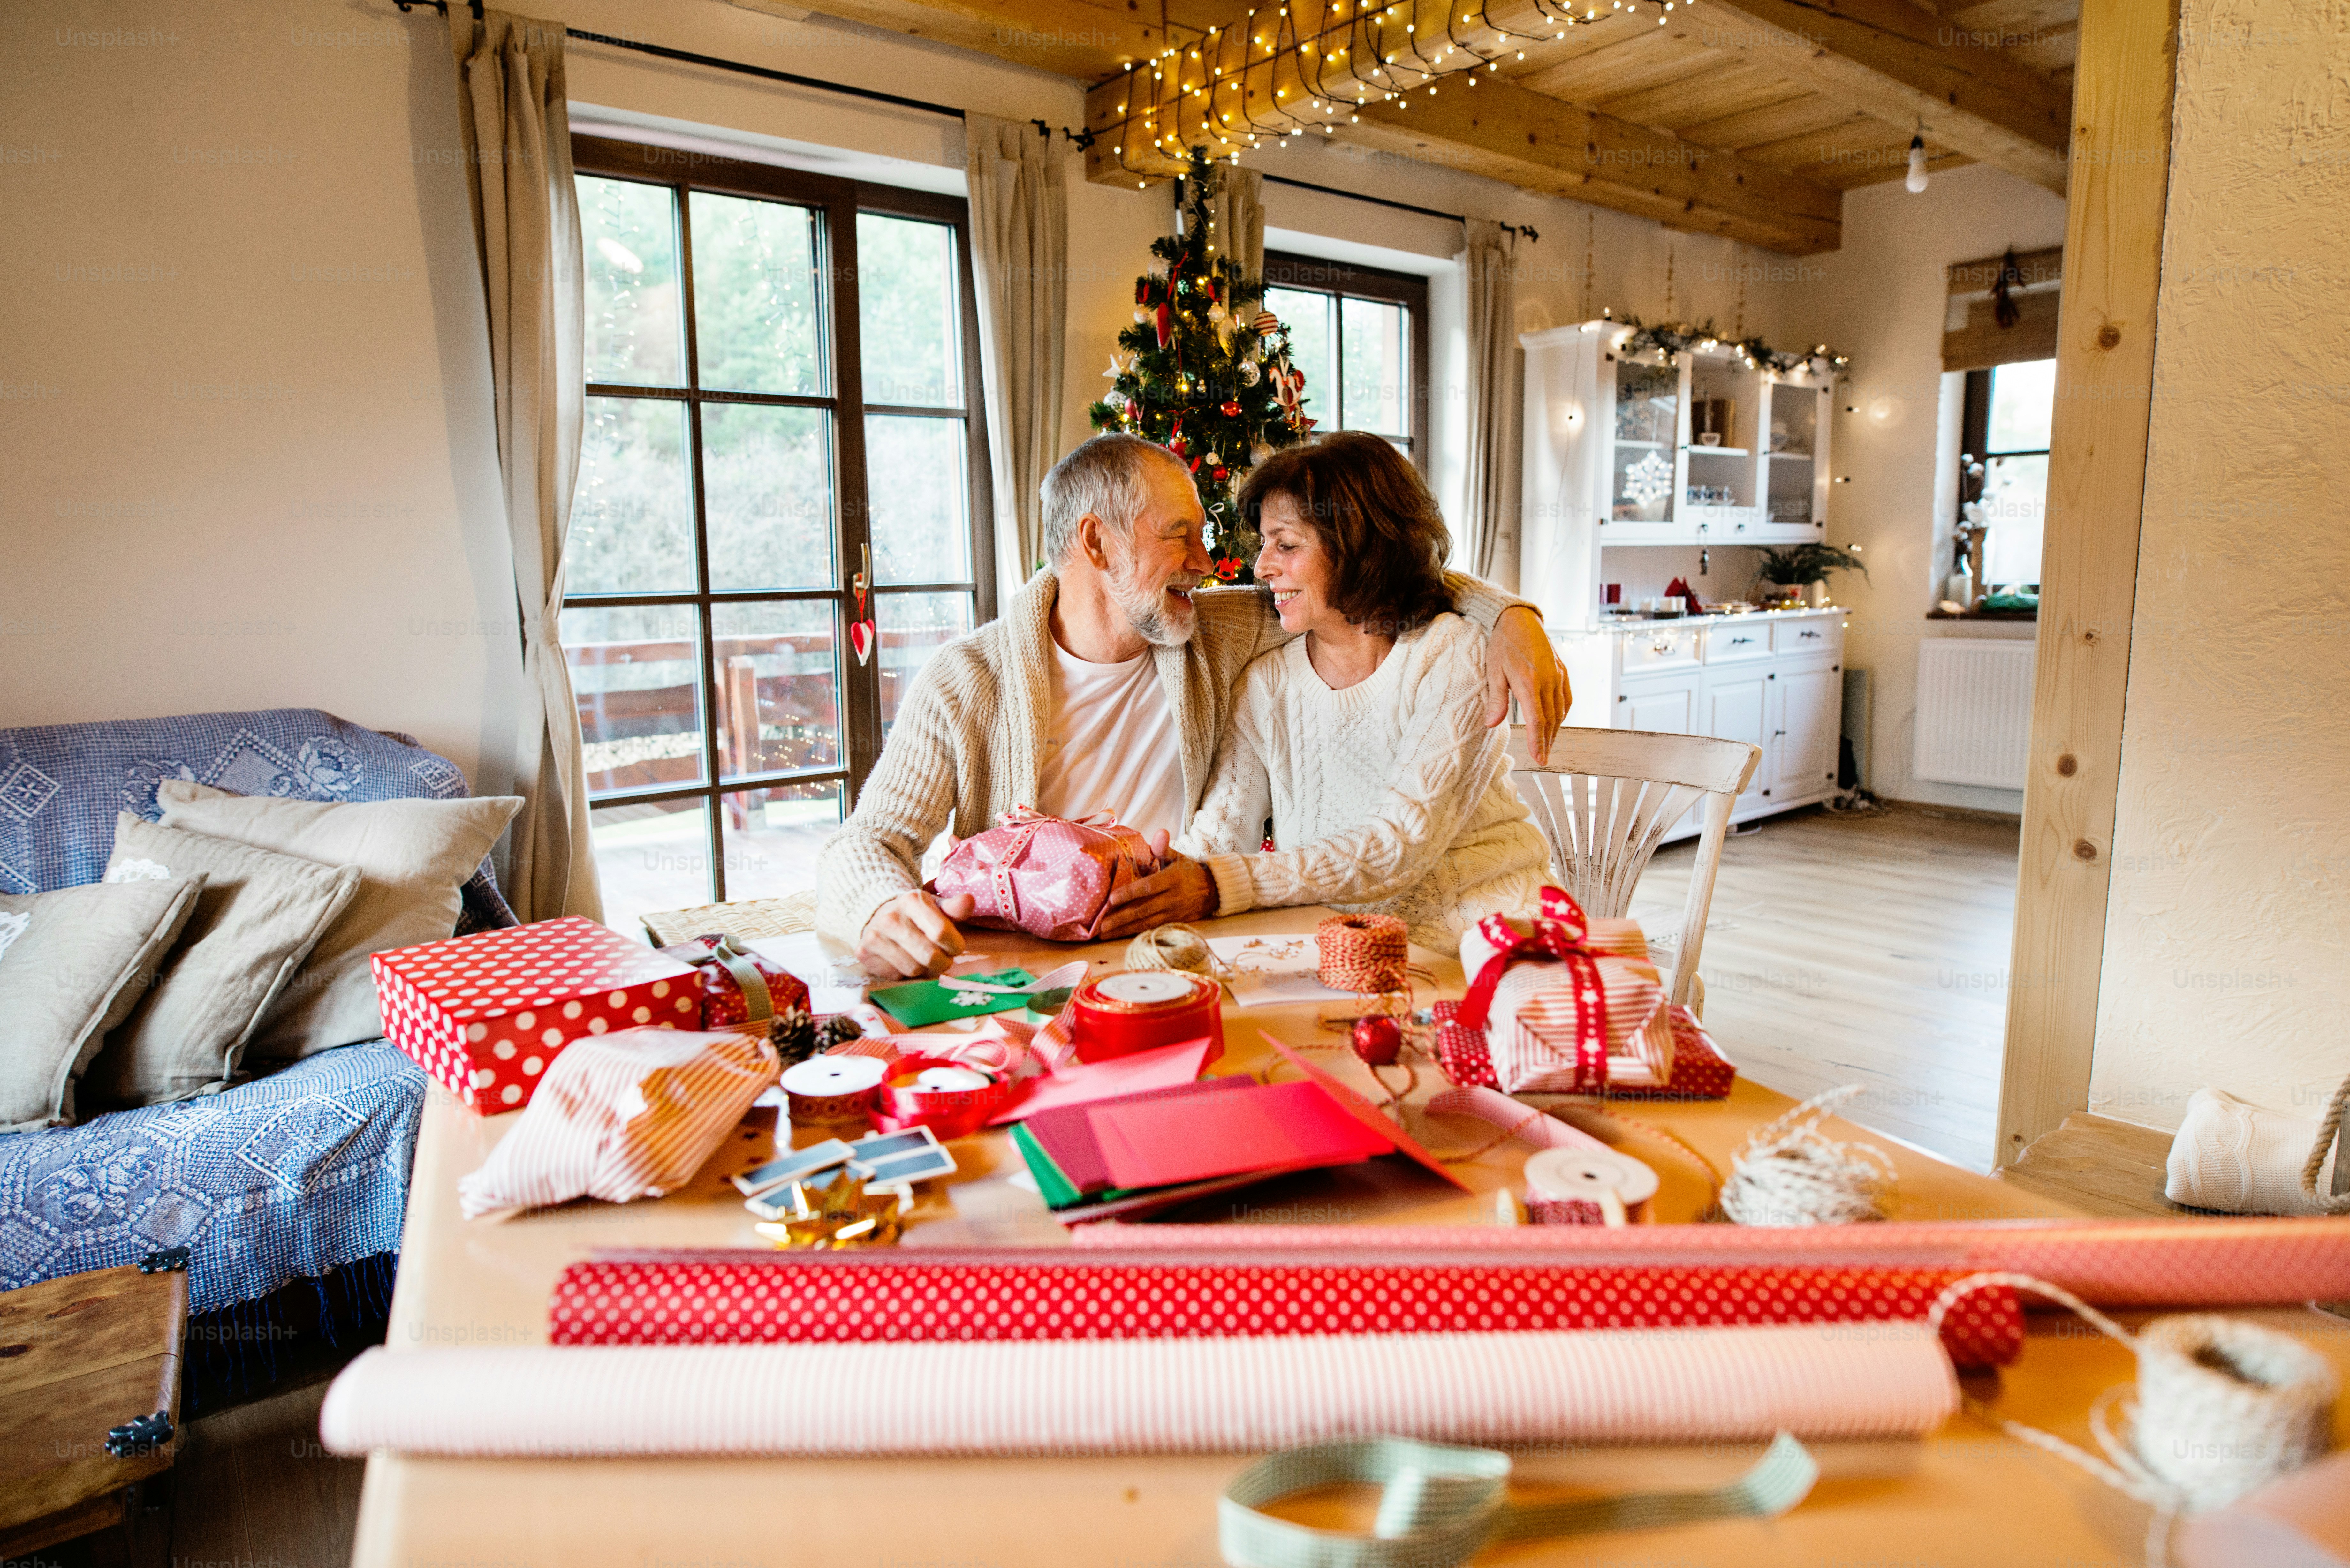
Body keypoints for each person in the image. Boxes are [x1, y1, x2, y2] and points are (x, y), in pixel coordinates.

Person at [815, 431, 1569, 976]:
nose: (1214, 567)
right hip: (1036, 960)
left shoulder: (1218, 631)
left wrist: (1509, 616)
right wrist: (877, 907)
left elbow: (1379, 572)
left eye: (1208, 536)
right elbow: (865, 843)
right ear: (1097, 543)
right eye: (1180, 536)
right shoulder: (967, 680)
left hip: (1174, 941)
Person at [1138, 432, 1553, 953]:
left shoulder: (1451, 652)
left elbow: (1399, 844)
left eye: (1286, 545)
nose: (1262, 567)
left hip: (1493, 944)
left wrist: (1222, 884)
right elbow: (1222, 835)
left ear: (1361, 546)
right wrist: (1155, 880)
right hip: (1342, 952)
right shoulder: (1266, 683)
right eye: (1264, 544)